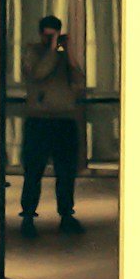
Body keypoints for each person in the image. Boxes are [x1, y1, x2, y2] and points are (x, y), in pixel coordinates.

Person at [19, 15, 86, 238]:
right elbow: (38, 73)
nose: (51, 39)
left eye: (54, 35)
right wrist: (51, 49)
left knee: (66, 172)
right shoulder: (33, 52)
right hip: (39, 120)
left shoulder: (63, 55)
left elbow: (78, 80)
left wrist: (68, 53)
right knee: (33, 171)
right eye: (48, 35)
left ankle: (66, 214)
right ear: (41, 34)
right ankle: (28, 215)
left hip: (64, 120)